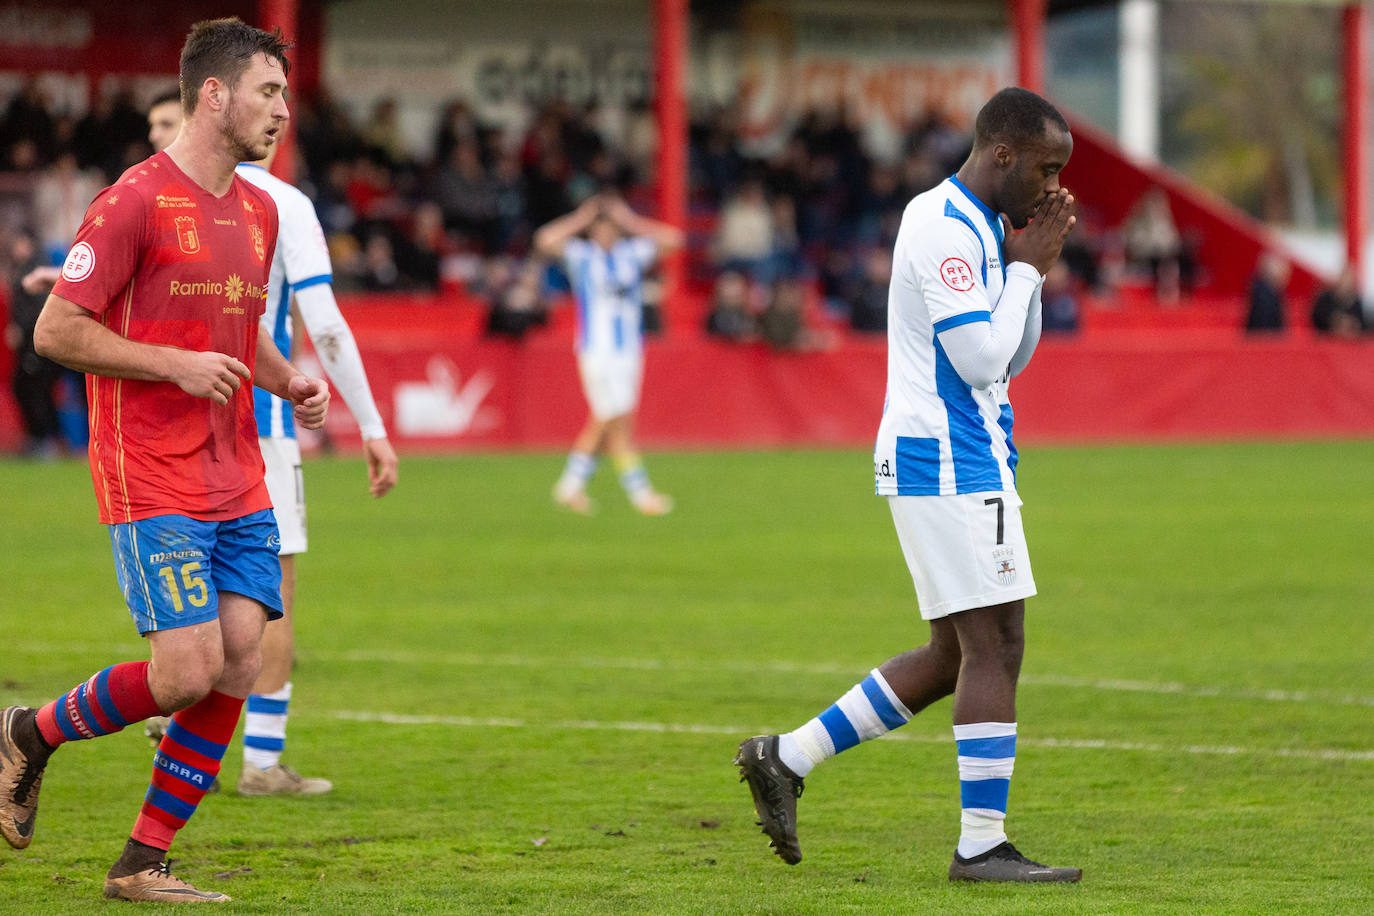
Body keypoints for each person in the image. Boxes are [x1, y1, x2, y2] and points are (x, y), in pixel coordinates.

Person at [0, 19, 330, 903]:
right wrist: (174, 365)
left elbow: (239, 326)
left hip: (238, 472)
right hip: (149, 468)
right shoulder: (132, 201)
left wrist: (289, 377)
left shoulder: (259, 209)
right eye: (269, 92)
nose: (283, 112)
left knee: (240, 661)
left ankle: (142, 862)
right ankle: (29, 732)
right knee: (184, 673)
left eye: (287, 96)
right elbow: (56, 329)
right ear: (214, 94)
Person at [734, 87, 1082, 883]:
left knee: (955, 653)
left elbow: (1011, 354)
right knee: (997, 645)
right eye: (1045, 167)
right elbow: (979, 361)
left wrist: (1030, 268)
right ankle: (981, 846)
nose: (1053, 186)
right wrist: (1026, 272)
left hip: (960, 456)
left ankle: (786, 757)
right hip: (948, 460)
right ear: (1002, 154)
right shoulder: (942, 226)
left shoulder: (986, 226)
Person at [136, 90, 401, 795]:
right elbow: (327, 325)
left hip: (168, 432)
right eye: (274, 98)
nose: (280, 113)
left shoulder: (159, 195)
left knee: (191, 592)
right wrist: (372, 427)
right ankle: (260, 760)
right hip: (258, 429)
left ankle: (181, 725)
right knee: (266, 593)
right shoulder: (281, 203)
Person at [535, 193, 683, 516]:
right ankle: (640, 495)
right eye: (600, 228)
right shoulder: (582, 255)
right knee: (614, 418)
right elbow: (544, 240)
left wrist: (630, 221)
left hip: (629, 350)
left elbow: (675, 240)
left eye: (611, 228)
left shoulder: (632, 253)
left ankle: (571, 486)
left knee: (612, 420)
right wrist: (581, 218)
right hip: (597, 350)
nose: (606, 234)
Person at [6, 233, 64, 458]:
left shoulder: (38, 269)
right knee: (26, 388)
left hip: (35, 342)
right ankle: (43, 439)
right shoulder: (24, 268)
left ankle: (45, 441)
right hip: (30, 343)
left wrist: (22, 328)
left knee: (35, 390)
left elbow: (39, 308)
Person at [1310, 267, 1366, 338]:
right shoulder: (1325, 298)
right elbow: (1316, 319)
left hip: (1350, 342)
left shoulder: (1356, 300)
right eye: (1344, 278)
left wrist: (1353, 324)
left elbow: (1362, 322)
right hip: (1327, 340)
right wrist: (1335, 320)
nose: (1346, 282)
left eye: (1348, 279)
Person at [1245, 252, 1289, 333]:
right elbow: (1265, 324)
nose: (1286, 275)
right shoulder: (1265, 294)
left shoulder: (1267, 290)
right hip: (1264, 340)